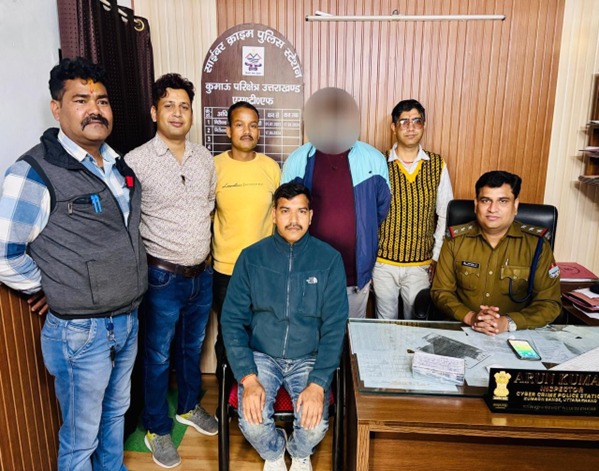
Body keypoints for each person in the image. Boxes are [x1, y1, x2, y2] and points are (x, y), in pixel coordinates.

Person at [0, 57, 147, 470]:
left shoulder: (117, 165)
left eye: (102, 100)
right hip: (81, 333)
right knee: (81, 438)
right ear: (56, 108)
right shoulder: (33, 172)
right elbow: (4, 253)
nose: (94, 110)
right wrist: (46, 285)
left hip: (127, 320)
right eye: (80, 100)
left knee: (115, 416)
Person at [222, 182, 348, 471]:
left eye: (301, 211)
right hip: (262, 355)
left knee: (314, 428)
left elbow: (334, 327)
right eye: (285, 211)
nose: (293, 220)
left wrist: (318, 383)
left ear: (311, 216)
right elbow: (231, 320)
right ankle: (275, 452)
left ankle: (299, 452)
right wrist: (248, 379)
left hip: (308, 356)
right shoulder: (251, 258)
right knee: (252, 424)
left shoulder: (329, 259)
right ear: (274, 215)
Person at [125, 73, 217, 468]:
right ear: (154, 112)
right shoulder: (136, 161)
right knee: (158, 355)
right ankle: (157, 428)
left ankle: (188, 406)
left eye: (184, 106)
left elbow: (208, 206)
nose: (177, 113)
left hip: (202, 274)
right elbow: (127, 220)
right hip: (161, 277)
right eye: (169, 106)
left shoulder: (204, 158)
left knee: (191, 348)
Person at [281, 87, 391, 318]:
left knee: (351, 335)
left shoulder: (373, 159)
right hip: (308, 273)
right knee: (311, 334)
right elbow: (285, 213)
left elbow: (380, 210)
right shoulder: (298, 160)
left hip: (355, 275)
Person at [431, 171, 562, 335]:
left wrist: (507, 322)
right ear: (476, 204)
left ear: (515, 206)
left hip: (517, 333)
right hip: (463, 330)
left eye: (503, 201)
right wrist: (472, 317)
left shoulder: (537, 245)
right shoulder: (455, 240)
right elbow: (441, 292)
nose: (493, 209)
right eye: (486, 200)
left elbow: (549, 303)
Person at [212, 101, 280, 362]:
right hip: (226, 271)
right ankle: (228, 388)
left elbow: (280, 217)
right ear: (228, 130)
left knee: (262, 335)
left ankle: (258, 387)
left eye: (253, 125)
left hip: (264, 270)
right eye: (239, 125)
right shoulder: (214, 167)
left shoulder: (271, 168)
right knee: (229, 336)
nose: (247, 131)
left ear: (259, 131)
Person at [373, 99, 453, 320]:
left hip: (421, 265)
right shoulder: (379, 162)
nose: (410, 127)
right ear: (393, 127)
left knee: (416, 324)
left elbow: (445, 214)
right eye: (404, 121)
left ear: (424, 125)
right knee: (384, 325)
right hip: (382, 263)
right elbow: (366, 214)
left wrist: (436, 257)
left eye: (416, 121)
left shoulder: (437, 164)